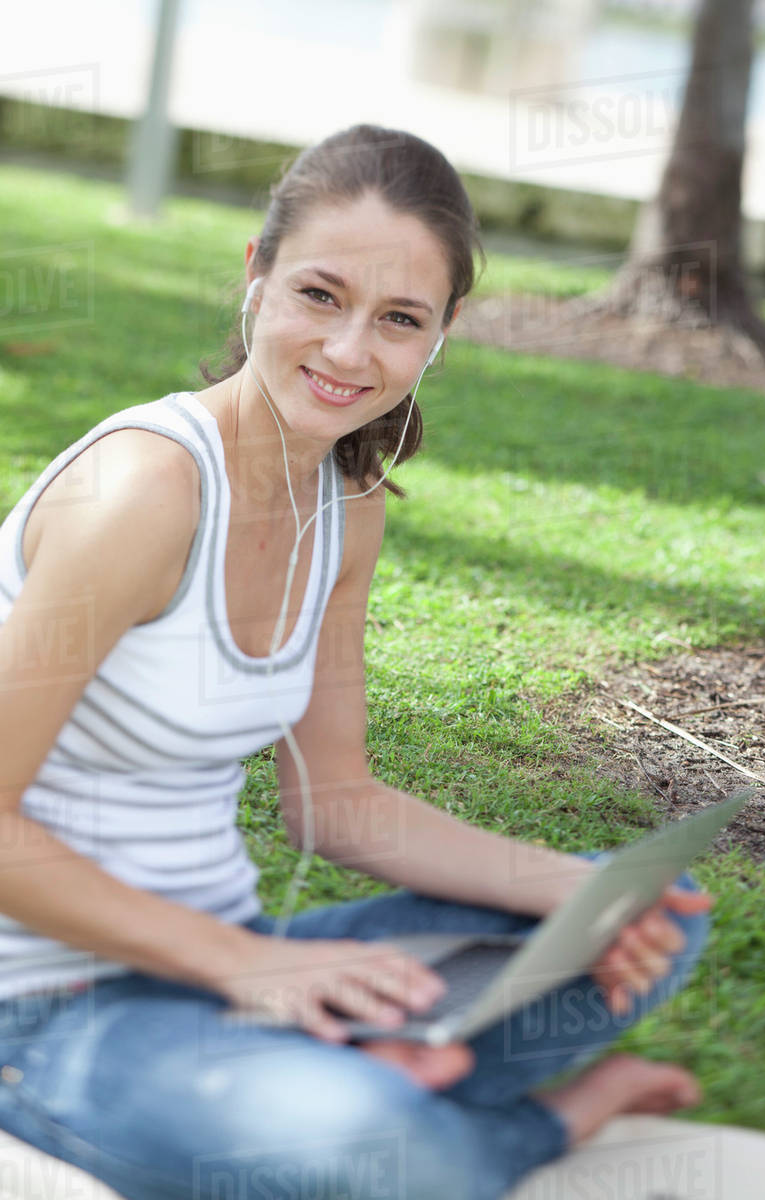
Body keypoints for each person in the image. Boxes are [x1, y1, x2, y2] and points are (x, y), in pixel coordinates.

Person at [0, 124, 713, 1200]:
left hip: (221, 965)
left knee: (651, 914)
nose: (347, 353)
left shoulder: (345, 503)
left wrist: (584, 896)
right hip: (46, 1008)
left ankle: (352, 1072)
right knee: (366, 1146)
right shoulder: (141, 492)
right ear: (256, 275)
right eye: (319, 296)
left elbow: (334, 804)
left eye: (397, 320)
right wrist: (253, 966)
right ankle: (514, 1119)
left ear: (442, 334)